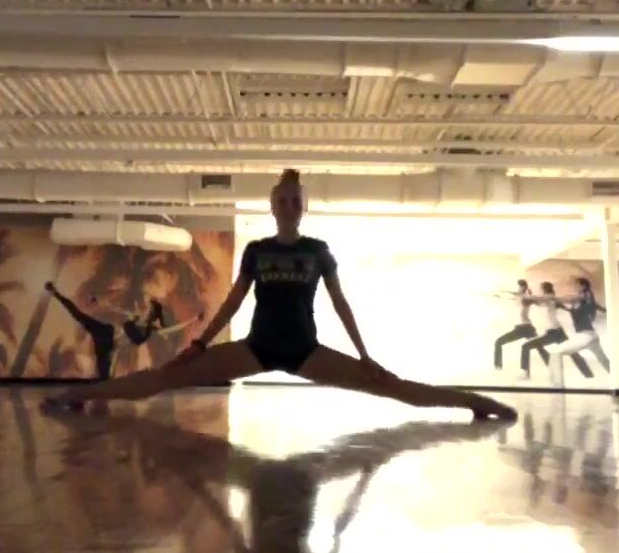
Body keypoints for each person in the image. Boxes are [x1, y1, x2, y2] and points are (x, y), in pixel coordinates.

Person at [40, 169, 517, 422]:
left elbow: (340, 303)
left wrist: (365, 355)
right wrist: (201, 344)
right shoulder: (257, 250)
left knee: (394, 387)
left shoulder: (317, 251)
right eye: (283, 200)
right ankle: (77, 395)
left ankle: (480, 403)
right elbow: (234, 300)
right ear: (273, 206)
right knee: (163, 377)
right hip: (257, 347)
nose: (289, 206)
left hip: (305, 350)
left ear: (302, 207)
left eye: (295, 200)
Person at [44, 282, 170, 379]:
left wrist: (149, 327)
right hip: (107, 335)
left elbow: (136, 337)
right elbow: (115, 311)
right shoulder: (135, 319)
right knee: (79, 316)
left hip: (109, 339)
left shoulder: (141, 326)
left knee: (104, 368)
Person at [518, 281, 594, 381]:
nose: (539, 290)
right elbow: (535, 300)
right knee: (573, 353)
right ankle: (588, 374)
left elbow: (539, 298)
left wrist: (526, 295)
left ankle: (526, 374)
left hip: (554, 333)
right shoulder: (544, 300)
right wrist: (524, 296)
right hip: (556, 332)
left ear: (544, 289)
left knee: (526, 346)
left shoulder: (549, 297)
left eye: (540, 288)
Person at [548, 277, 610, 372]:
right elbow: (590, 308)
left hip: (584, 337)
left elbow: (568, 300)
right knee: (604, 361)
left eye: (576, 284)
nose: (574, 286)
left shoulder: (580, 297)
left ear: (583, 286)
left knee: (555, 353)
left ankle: (557, 382)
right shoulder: (587, 298)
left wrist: (553, 298)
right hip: (592, 336)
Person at [493, 279, 539, 369]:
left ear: (523, 288)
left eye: (520, 287)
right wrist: (499, 296)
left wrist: (503, 291)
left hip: (524, 328)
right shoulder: (520, 298)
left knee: (498, 342)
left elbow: (517, 295)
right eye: (519, 287)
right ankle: (548, 362)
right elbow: (513, 297)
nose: (518, 289)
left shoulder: (525, 297)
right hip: (527, 327)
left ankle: (498, 366)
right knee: (538, 347)